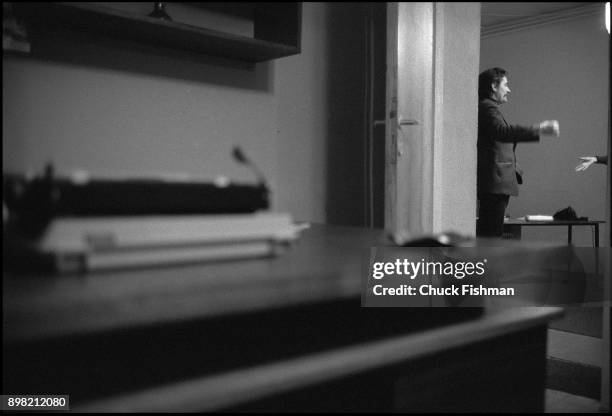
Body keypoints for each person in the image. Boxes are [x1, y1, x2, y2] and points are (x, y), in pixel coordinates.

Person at [477, 67, 560, 237]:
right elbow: (502, 132)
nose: (508, 89)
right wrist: (539, 129)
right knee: (491, 236)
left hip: (496, 182)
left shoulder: (489, 107)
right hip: (494, 183)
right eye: (505, 85)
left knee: (491, 235)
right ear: (494, 86)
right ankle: (486, 264)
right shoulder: (487, 107)